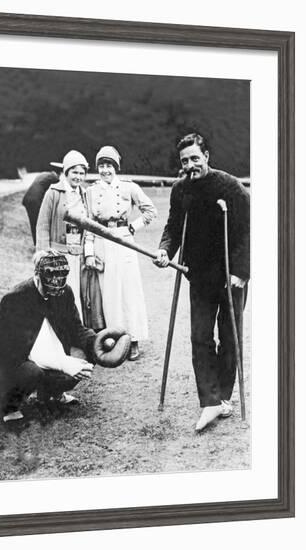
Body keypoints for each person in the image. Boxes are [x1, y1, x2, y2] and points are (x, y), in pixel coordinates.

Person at [154, 133, 250, 431]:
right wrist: (164, 250)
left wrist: (241, 271)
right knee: (200, 337)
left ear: (206, 155)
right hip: (199, 274)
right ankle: (209, 402)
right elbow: (172, 226)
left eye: (195, 158)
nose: (191, 165)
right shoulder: (180, 190)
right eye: (185, 161)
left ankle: (223, 396)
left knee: (229, 338)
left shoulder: (231, 187)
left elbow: (250, 231)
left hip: (231, 275)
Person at [0, 250, 130, 422]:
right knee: (31, 372)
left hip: (48, 356)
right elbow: (0, 352)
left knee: (85, 355)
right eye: (48, 287)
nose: (53, 291)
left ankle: (51, 393)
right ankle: (10, 405)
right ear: (37, 275)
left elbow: (75, 328)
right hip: (15, 362)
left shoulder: (64, 292)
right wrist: (62, 363)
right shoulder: (15, 299)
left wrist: (96, 342)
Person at [84, 146, 156, 361]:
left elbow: (150, 211)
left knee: (128, 292)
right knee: (109, 293)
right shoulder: (91, 191)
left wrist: (133, 227)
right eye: (102, 166)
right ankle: (115, 339)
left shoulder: (129, 187)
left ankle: (133, 340)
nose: (106, 170)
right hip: (101, 243)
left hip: (124, 241)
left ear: (116, 167)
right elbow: (88, 224)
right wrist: (89, 252)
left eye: (109, 166)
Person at [36, 150, 89, 318]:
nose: (78, 177)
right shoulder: (53, 192)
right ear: (66, 172)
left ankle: (76, 337)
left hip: (77, 255)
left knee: (77, 297)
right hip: (57, 255)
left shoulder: (85, 194)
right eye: (74, 172)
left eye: (82, 173)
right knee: (57, 296)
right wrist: (44, 253)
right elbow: (42, 224)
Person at [22, 168, 60, 245]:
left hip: (27, 199)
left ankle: (36, 244)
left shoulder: (43, 174)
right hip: (35, 201)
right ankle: (40, 244)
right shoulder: (54, 177)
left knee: (33, 222)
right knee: (40, 223)